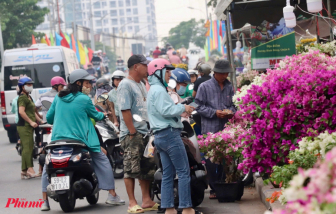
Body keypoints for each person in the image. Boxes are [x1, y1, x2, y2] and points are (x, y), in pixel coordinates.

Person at [42, 69, 125, 211]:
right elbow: (95, 115)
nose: (90, 86)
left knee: (47, 166)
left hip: (57, 141)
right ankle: (112, 195)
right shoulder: (84, 99)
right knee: (102, 160)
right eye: (87, 83)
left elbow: (49, 118)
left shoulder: (58, 97)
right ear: (78, 83)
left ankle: (44, 201)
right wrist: (103, 115)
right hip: (81, 141)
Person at [146, 58, 201, 214]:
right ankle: (187, 208)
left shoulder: (153, 90)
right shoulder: (159, 90)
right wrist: (183, 107)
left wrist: (181, 107)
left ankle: (169, 208)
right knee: (183, 172)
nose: (169, 75)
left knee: (168, 174)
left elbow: (165, 109)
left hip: (159, 136)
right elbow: (167, 111)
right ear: (158, 72)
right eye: (168, 71)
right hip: (170, 134)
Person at [117, 55, 157, 213]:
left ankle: (146, 200)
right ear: (136, 67)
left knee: (146, 167)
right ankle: (132, 202)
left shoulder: (140, 83)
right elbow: (125, 110)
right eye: (145, 65)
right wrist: (132, 131)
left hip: (145, 132)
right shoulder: (125, 85)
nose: (148, 68)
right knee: (131, 168)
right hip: (132, 134)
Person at [195, 59, 237, 200]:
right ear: (216, 72)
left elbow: (234, 105)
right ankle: (214, 188)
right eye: (223, 73)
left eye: (226, 73)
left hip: (226, 127)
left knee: (226, 157)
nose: (225, 75)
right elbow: (199, 106)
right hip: (210, 128)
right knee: (212, 161)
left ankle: (224, 184)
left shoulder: (229, 87)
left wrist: (229, 111)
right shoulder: (204, 86)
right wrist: (214, 113)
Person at [17, 77, 44, 179]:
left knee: (27, 147)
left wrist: (40, 120)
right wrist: (31, 122)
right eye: (28, 84)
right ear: (22, 87)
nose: (30, 86)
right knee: (28, 148)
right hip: (24, 126)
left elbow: (32, 111)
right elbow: (21, 112)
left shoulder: (29, 97)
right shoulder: (22, 98)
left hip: (30, 125)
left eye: (31, 84)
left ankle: (24, 171)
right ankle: (30, 169)